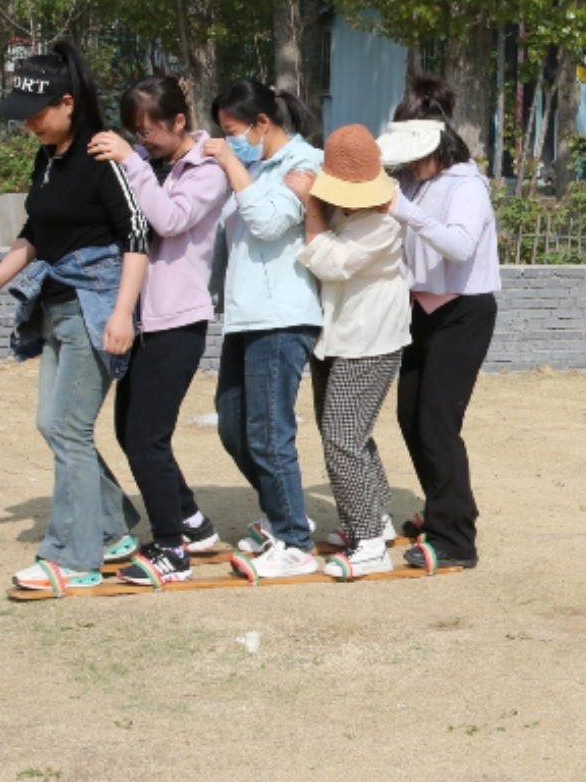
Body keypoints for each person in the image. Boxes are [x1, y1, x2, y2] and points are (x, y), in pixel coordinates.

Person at [0, 41, 150, 598]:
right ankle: (111, 527)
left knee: (69, 428)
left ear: (68, 103)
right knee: (52, 424)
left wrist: (122, 316)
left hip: (96, 310)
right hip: (56, 308)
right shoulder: (49, 158)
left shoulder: (100, 158)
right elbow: (37, 235)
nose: (29, 125)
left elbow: (136, 236)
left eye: (36, 114)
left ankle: (73, 556)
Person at [86, 73, 234, 585]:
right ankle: (191, 520)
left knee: (149, 437)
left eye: (149, 131)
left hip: (179, 320)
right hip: (142, 315)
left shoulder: (208, 170)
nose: (143, 140)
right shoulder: (151, 164)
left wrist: (130, 161)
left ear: (179, 121)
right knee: (130, 433)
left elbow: (169, 220)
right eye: (135, 132)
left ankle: (171, 550)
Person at [199, 78, 327, 581]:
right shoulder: (253, 165)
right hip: (244, 316)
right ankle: (287, 512)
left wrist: (231, 165)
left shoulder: (305, 164)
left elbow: (272, 225)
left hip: (283, 315)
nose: (228, 139)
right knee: (234, 426)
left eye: (232, 131)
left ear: (262, 124)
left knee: (270, 432)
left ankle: (295, 541)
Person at [382, 82, 501, 572]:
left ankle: (456, 538)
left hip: (463, 311)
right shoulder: (414, 181)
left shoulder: (465, 184)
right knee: (410, 417)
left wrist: (404, 211)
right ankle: (442, 509)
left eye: (414, 158)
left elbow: (458, 245)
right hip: (420, 309)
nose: (407, 169)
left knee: (438, 422)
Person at [297, 123, 414, 579]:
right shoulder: (349, 209)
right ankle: (374, 519)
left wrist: (311, 207)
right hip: (342, 334)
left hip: (370, 338)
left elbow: (329, 262)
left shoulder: (382, 221)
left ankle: (368, 542)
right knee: (348, 433)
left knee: (342, 437)